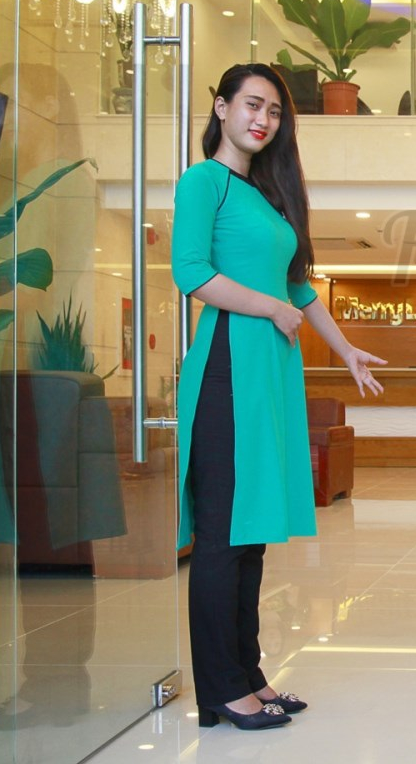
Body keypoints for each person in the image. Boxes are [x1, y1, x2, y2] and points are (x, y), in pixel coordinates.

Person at [171, 63, 386, 731]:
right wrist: (268, 309)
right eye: (252, 105)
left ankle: (248, 675)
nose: (263, 119)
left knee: (252, 534)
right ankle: (220, 690)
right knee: (222, 536)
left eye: (273, 111)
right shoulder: (203, 181)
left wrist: (344, 348)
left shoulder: (265, 196)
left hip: (269, 371)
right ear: (221, 107)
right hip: (227, 364)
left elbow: (298, 289)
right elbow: (190, 273)